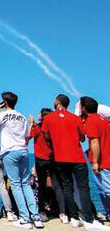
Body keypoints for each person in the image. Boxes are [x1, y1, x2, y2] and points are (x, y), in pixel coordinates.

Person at [42, 94, 101, 229]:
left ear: (57, 102)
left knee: (67, 187)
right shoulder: (75, 118)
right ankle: (89, 217)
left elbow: (46, 135)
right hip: (77, 157)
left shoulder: (48, 118)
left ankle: (74, 217)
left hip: (60, 157)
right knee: (83, 188)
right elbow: (82, 138)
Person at [0, 92, 43, 229]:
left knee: (16, 185)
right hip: (23, 150)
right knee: (26, 184)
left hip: (10, 151)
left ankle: (25, 218)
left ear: (4, 102)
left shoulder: (2, 115)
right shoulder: (22, 117)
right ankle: (36, 217)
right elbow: (27, 136)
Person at [29, 108, 67, 222]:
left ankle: (42, 211)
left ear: (42, 116)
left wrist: (32, 124)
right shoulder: (54, 128)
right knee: (58, 186)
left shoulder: (38, 127)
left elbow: (29, 135)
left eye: (40, 113)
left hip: (40, 160)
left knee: (42, 186)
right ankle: (63, 213)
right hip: (53, 159)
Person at [82, 96, 110, 221]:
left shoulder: (92, 121)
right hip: (106, 157)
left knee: (107, 190)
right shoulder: (103, 119)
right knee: (102, 190)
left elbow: (95, 142)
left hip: (103, 161)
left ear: (84, 108)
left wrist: (95, 162)